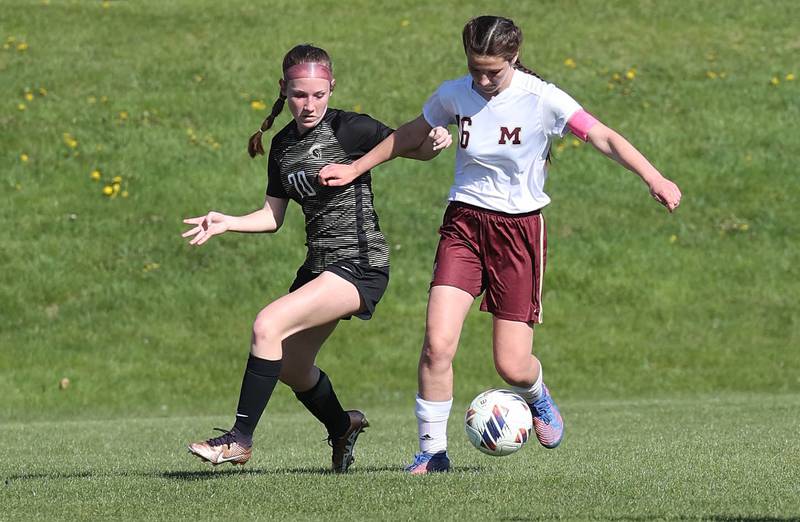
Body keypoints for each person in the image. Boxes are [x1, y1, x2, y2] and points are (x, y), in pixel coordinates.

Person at [319, 15, 682, 474]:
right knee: (436, 344)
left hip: (519, 233)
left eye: (494, 71)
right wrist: (354, 168)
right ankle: (432, 453)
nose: (484, 80)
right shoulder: (454, 93)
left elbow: (603, 136)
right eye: (476, 70)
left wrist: (654, 177)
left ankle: (538, 396)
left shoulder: (542, 99)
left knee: (511, 365)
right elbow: (411, 133)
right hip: (464, 225)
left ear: (514, 59)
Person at [182, 44, 451, 472]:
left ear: (332, 89)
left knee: (266, 324)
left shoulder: (350, 128)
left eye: (318, 95)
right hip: (319, 266)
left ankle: (239, 440)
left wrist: (435, 142)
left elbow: (409, 146)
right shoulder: (284, 144)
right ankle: (342, 425)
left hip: (360, 264)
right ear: (283, 90)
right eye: (299, 95)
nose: (309, 105)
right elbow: (272, 216)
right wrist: (227, 222)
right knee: (290, 366)